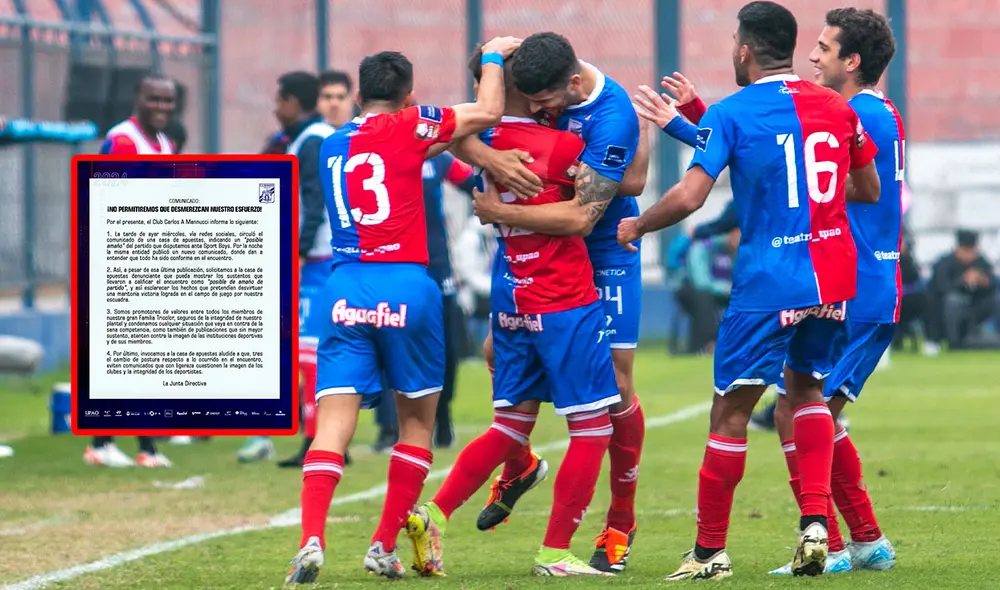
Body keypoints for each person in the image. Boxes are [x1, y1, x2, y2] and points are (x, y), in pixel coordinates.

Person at [617, 1, 880, 579]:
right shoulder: (838, 107)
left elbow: (690, 197)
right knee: (808, 392)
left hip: (769, 281)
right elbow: (868, 187)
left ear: (744, 49)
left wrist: (637, 224)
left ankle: (710, 552)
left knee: (730, 411)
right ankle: (815, 525)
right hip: (833, 276)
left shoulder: (734, 113)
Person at [283, 40, 516, 584]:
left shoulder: (332, 145)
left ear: (359, 95)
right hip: (408, 286)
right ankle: (383, 545)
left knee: (333, 426)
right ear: (408, 97)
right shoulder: (413, 126)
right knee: (416, 423)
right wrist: (494, 59)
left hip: (344, 290)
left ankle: (311, 538)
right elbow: (487, 112)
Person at [405, 47, 619, 578]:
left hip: (513, 300)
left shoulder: (483, 144)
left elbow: (451, 131)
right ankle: (556, 553)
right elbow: (603, 199)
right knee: (592, 429)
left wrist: (491, 73)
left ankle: (433, 512)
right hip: (565, 299)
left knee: (510, 425)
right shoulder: (565, 144)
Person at [454, 32, 651, 574]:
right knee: (496, 355)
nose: (537, 113)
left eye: (543, 104)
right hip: (529, 248)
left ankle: (620, 521)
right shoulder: (534, 77)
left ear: (569, 84)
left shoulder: (610, 115)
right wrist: (491, 150)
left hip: (600, 245)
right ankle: (518, 465)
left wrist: (503, 212)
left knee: (613, 387)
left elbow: (620, 188)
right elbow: (459, 131)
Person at [765, 7, 903, 575]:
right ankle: (863, 540)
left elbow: (803, 176)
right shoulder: (874, 111)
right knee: (806, 408)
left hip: (860, 289)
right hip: (862, 286)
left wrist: (697, 127)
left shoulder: (854, 116)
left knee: (799, 409)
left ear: (852, 61)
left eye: (823, 47)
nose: (812, 56)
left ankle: (838, 545)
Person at [237, 72, 337, 468]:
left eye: (280, 101)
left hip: (318, 260)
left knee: (310, 353)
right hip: (320, 258)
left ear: (294, 101)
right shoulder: (307, 139)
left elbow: (315, 203)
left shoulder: (312, 140)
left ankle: (317, 440)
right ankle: (326, 440)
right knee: (312, 352)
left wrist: (297, 250)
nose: (276, 109)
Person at [85, 73, 177, 469]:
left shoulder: (165, 144)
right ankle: (104, 442)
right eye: (154, 99)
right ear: (139, 98)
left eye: (168, 101)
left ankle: (141, 446)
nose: (161, 107)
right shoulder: (123, 140)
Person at [372, 152, 477, 453]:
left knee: (446, 349)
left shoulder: (437, 158)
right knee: (388, 343)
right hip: (391, 267)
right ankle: (388, 426)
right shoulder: (370, 154)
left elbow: (472, 183)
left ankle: (443, 415)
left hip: (437, 269)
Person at [923, 229, 997, 354]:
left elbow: (992, 284)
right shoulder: (944, 263)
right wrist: (962, 281)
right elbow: (941, 287)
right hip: (949, 307)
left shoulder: (981, 262)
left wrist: (983, 281)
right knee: (953, 301)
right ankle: (954, 343)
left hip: (977, 303)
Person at [676, 227, 739, 354]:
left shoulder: (742, 251)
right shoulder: (705, 247)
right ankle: (709, 342)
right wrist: (725, 288)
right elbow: (701, 281)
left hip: (726, 292)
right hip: (693, 291)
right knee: (703, 299)